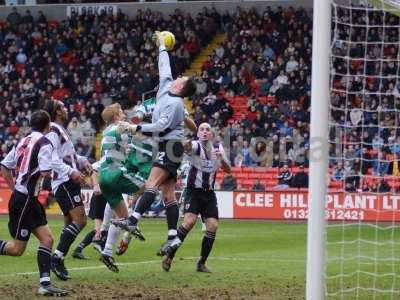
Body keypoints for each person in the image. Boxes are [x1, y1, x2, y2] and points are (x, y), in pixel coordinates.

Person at [112, 32, 197, 254]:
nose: (179, 76)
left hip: (171, 147)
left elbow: (160, 126)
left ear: (181, 88)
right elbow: (164, 65)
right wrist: (161, 46)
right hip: (167, 147)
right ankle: (173, 237)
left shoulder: (176, 104)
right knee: (168, 194)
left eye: (182, 79)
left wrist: (135, 128)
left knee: (151, 184)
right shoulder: (167, 84)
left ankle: (133, 220)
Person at [0, 110, 68, 296]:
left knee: (47, 239)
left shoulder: (22, 141)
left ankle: (45, 284)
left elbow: (5, 167)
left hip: (28, 199)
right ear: (48, 126)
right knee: (16, 249)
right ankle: (45, 284)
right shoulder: (45, 143)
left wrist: (15, 189)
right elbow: (46, 172)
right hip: (25, 201)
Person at [161, 122, 231, 272]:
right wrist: (183, 142)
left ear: (211, 134)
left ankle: (201, 263)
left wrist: (222, 159)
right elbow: (187, 147)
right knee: (190, 222)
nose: (205, 132)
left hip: (209, 193)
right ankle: (169, 256)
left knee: (213, 226)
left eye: (208, 130)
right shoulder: (195, 146)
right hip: (193, 191)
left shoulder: (218, 149)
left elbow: (228, 170)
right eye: (202, 129)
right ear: (198, 133)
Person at [96, 103, 150, 272]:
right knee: (150, 188)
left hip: (103, 177)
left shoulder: (106, 133)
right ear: (116, 117)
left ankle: (107, 252)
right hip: (115, 173)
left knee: (122, 218)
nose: (124, 114)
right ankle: (133, 223)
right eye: (121, 112)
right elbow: (141, 134)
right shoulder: (120, 127)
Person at [43, 99, 92, 281]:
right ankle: (56, 258)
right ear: (56, 111)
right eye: (62, 107)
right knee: (80, 220)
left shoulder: (58, 129)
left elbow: (66, 155)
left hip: (65, 180)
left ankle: (58, 258)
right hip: (64, 181)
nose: (66, 109)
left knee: (69, 222)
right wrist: (72, 171)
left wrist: (81, 160)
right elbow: (53, 159)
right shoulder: (54, 130)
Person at [71, 163, 107, 259]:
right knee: (105, 226)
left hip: (98, 196)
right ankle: (102, 248)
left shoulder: (96, 165)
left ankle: (79, 249)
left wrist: (94, 185)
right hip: (102, 196)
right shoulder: (104, 164)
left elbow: (90, 181)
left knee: (102, 226)